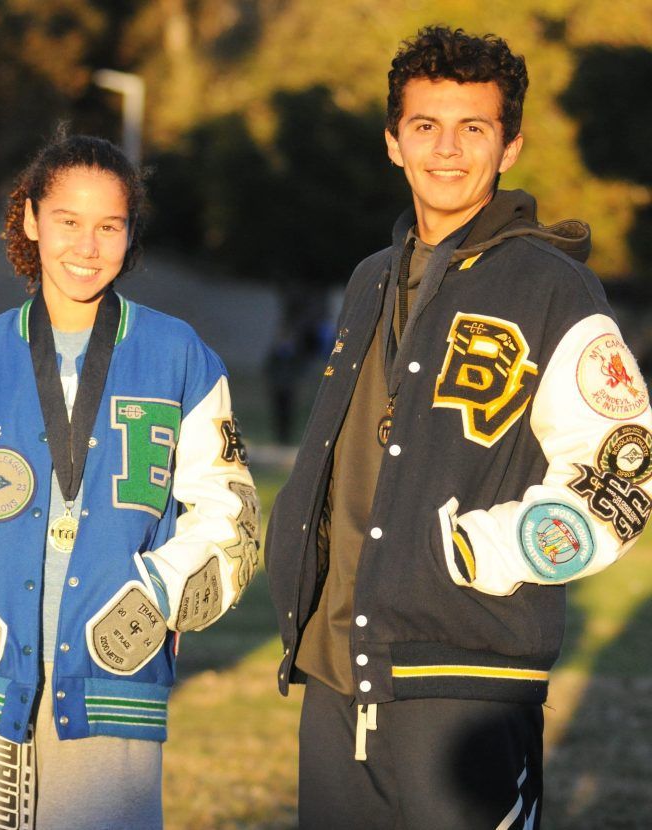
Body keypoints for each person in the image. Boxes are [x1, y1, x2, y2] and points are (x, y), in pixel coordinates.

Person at [264, 25, 652, 829]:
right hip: (338, 673)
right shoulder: (372, 277)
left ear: (510, 146)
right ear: (393, 142)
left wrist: (492, 550)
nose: (448, 150)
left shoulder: (554, 288)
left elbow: (624, 473)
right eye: (425, 127)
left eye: (473, 128)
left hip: (468, 679)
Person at [0, 131, 260, 829]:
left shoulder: (180, 356)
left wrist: (157, 594)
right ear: (30, 219)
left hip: (114, 678)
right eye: (68, 222)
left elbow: (230, 512)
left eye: (109, 227)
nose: (87, 248)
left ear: (130, 232)